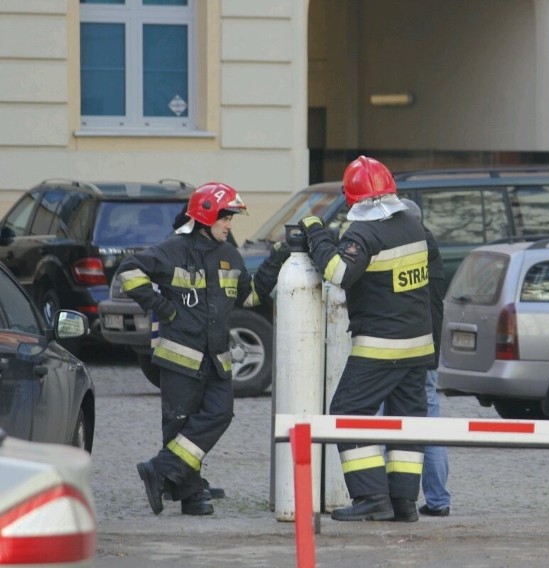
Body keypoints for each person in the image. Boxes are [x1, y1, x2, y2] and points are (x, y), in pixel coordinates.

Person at [117, 182, 290, 516]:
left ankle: (161, 469)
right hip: (179, 358)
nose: (229, 224)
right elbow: (129, 272)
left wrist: (275, 261)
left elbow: (250, 296)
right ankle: (191, 493)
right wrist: (162, 307)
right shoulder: (173, 249)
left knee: (219, 414)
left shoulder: (230, 255)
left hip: (217, 360)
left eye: (230, 218)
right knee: (179, 425)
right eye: (225, 218)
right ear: (206, 215)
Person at [299, 156, 432, 522]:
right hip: (419, 343)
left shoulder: (364, 233)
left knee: (348, 412)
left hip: (381, 345)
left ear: (351, 197)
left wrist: (315, 232)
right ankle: (404, 503)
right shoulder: (412, 224)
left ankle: (371, 496)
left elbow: (338, 273)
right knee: (407, 419)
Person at [398, 199, 451, 517]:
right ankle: (439, 500)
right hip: (428, 351)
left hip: (408, 353)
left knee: (386, 423)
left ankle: (391, 497)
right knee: (431, 425)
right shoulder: (430, 249)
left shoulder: (409, 251)